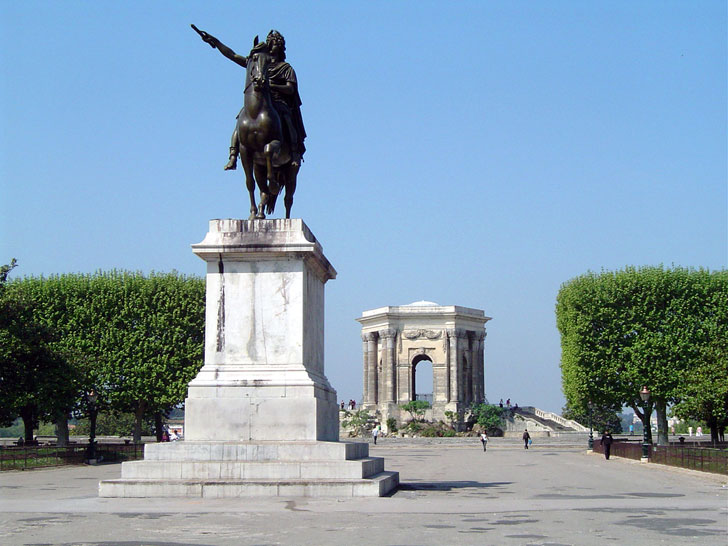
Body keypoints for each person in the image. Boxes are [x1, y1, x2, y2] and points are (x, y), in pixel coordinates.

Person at [196, 28, 306, 171]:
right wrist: (215, 42)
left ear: (280, 47)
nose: (272, 46)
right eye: (271, 43)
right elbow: (233, 55)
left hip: (278, 102)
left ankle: (294, 151)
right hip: (260, 100)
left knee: (287, 118)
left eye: (275, 44)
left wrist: (271, 85)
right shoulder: (258, 62)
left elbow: (290, 89)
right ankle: (233, 155)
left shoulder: (286, 68)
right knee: (241, 117)